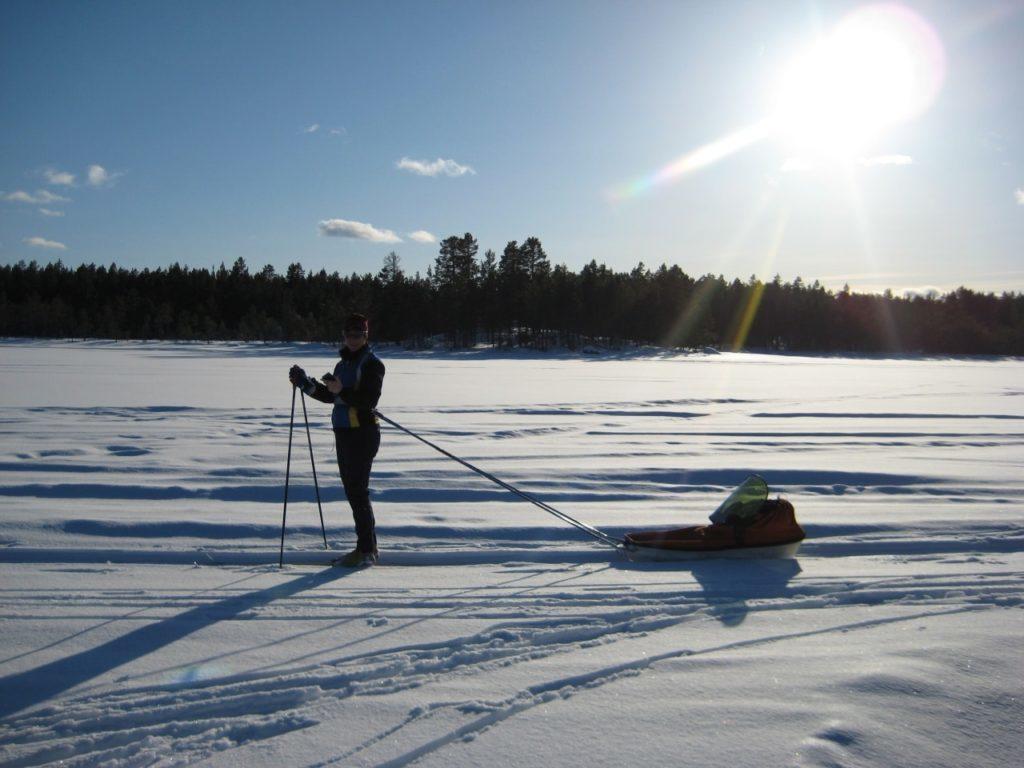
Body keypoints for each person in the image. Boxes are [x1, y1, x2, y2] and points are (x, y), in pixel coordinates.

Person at [288, 313, 385, 567]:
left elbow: (369, 400)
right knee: (353, 491)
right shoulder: (343, 365)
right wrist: (306, 384)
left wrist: (341, 390)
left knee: (357, 492)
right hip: (343, 433)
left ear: (366, 336)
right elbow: (331, 397)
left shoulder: (372, 364)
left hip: (362, 433)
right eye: (349, 334)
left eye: (358, 334)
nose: (352, 339)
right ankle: (367, 547)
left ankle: (367, 550)